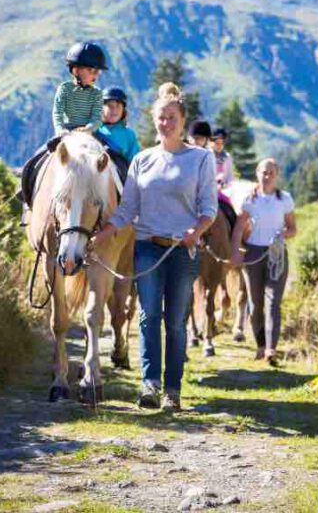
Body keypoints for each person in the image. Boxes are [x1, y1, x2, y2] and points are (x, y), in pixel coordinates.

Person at [93, 83, 217, 412]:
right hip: (147, 247)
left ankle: (172, 390)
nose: (166, 123)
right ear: (154, 120)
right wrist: (101, 235)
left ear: (182, 119)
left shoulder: (201, 159)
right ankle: (149, 385)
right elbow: (126, 210)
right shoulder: (143, 160)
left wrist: (197, 230)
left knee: (175, 321)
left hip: (182, 250)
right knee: (148, 318)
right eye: (161, 118)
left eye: (172, 117)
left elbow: (209, 207)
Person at [20, 41, 108, 207]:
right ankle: (27, 195)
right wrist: (60, 130)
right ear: (76, 70)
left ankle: (121, 194)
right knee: (35, 160)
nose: (96, 75)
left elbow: (97, 117)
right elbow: (57, 112)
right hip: (65, 133)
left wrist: (88, 129)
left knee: (114, 158)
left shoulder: (97, 94)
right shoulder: (64, 89)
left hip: (90, 134)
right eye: (92, 70)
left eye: (97, 71)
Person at [230, 158, 297, 368]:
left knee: (273, 302)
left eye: (271, 173)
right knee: (255, 302)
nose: (267, 176)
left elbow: (293, 228)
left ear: (276, 175)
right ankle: (260, 345)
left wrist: (281, 235)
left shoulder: (284, 199)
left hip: (276, 255)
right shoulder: (249, 200)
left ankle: (271, 349)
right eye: (263, 172)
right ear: (257, 174)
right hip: (253, 253)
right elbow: (239, 228)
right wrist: (235, 252)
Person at [97, 86, 140, 163]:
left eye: (118, 106)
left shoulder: (129, 134)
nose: (114, 110)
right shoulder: (95, 131)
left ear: (123, 110)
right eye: (110, 106)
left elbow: (135, 161)